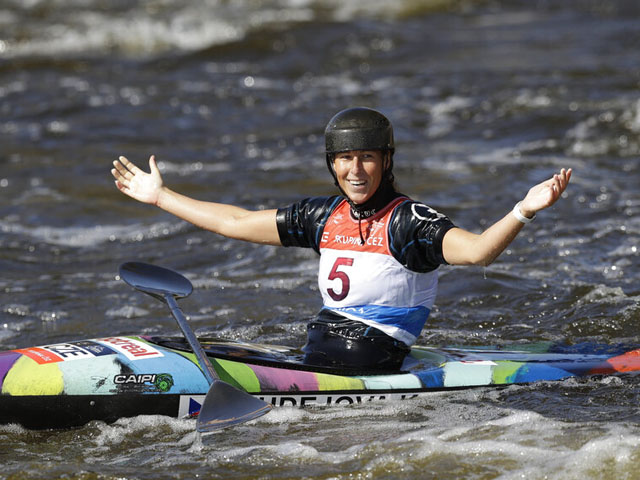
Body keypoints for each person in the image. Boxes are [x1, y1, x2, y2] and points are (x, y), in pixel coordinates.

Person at [112, 107, 572, 372]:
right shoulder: (324, 215)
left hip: (370, 362)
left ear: (386, 161)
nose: (356, 171)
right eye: (345, 159)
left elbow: (477, 252)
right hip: (322, 352)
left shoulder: (410, 222)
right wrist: (160, 196)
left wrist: (523, 210)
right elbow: (235, 221)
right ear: (332, 163)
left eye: (367, 158)